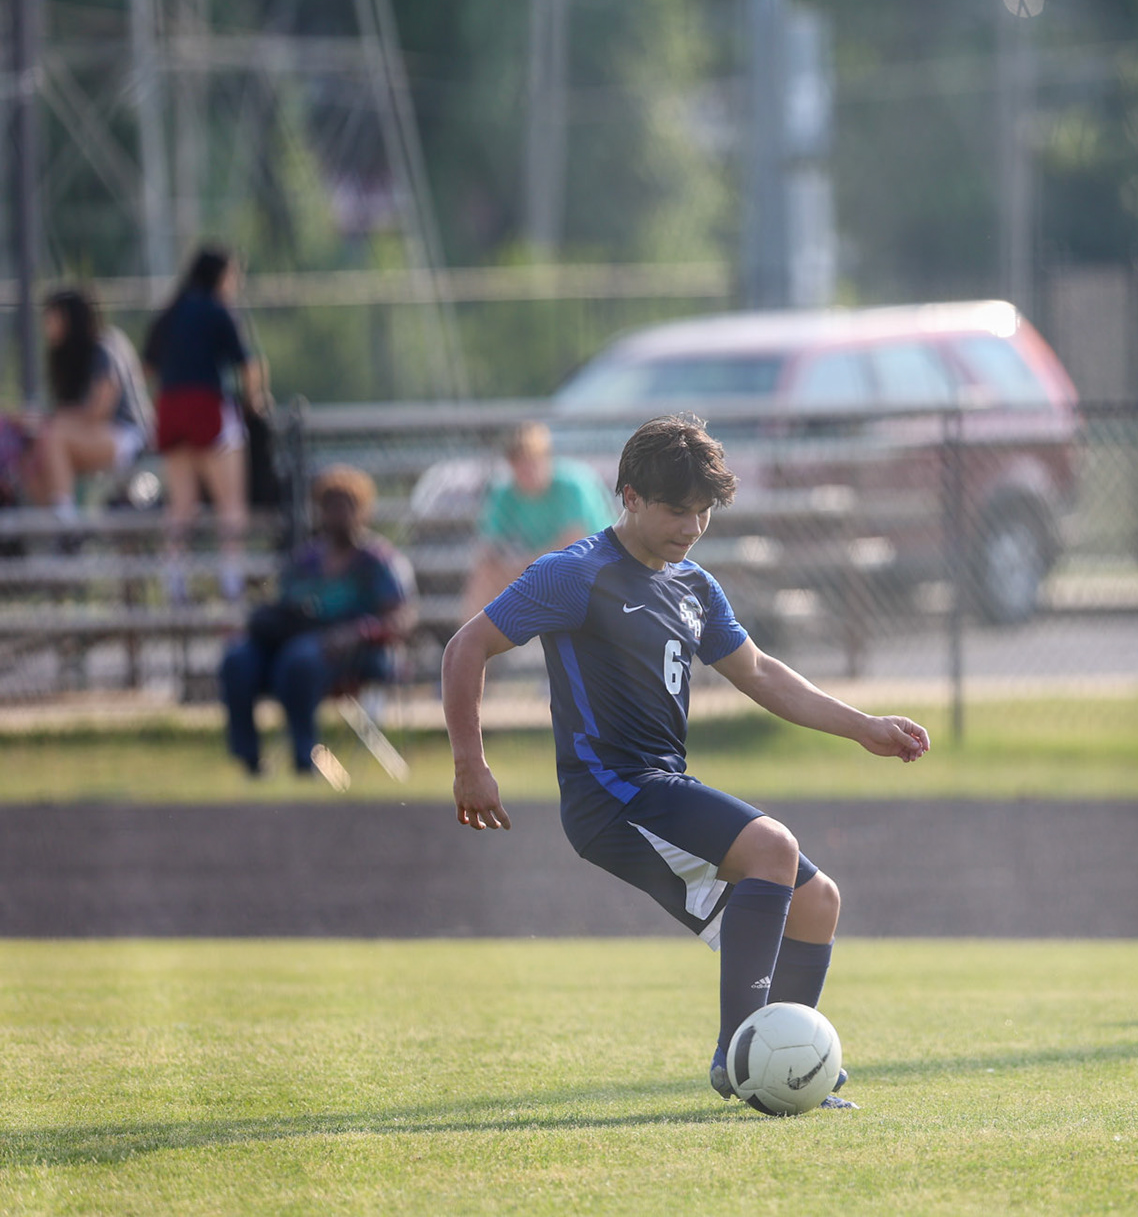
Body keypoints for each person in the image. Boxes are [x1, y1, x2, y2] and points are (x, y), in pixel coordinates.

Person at [441, 414, 929, 1110]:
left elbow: (760, 673)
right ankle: (741, 1056)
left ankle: (784, 1076)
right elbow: (466, 647)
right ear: (630, 497)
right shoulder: (574, 574)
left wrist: (864, 728)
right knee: (773, 849)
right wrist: (470, 763)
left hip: (660, 786)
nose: (693, 526)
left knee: (816, 902)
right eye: (678, 509)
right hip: (611, 795)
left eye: (704, 512)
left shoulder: (694, 586)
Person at [220, 464, 416, 780]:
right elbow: (284, 605)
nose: (338, 514)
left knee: (299, 661)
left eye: (347, 506)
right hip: (298, 643)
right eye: (330, 506)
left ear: (363, 510)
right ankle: (250, 760)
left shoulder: (378, 561)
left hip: (356, 654)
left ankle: (304, 757)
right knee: (238, 660)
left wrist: (356, 633)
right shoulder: (306, 560)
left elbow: (401, 617)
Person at [142, 245, 267, 603]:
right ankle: (231, 584)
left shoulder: (169, 311)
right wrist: (253, 403)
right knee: (231, 504)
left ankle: (174, 582)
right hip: (207, 407)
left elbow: (147, 367)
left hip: (169, 407)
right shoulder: (217, 309)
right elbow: (247, 365)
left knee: (181, 504)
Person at [458, 421, 615, 620]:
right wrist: (504, 567)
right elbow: (487, 547)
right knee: (484, 574)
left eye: (531, 461)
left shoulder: (572, 485)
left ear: (546, 458)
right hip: (543, 568)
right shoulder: (506, 492)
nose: (526, 471)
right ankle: (470, 646)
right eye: (518, 464)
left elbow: (574, 546)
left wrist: (523, 569)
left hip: (597, 570)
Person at [27, 288, 150, 518]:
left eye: (52, 318)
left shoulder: (104, 346)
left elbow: (100, 411)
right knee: (33, 451)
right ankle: (51, 526)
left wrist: (50, 419)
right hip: (93, 436)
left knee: (55, 433)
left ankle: (67, 526)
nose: (47, 326)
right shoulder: (65, 356)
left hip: (128, 437)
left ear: (70, 319)